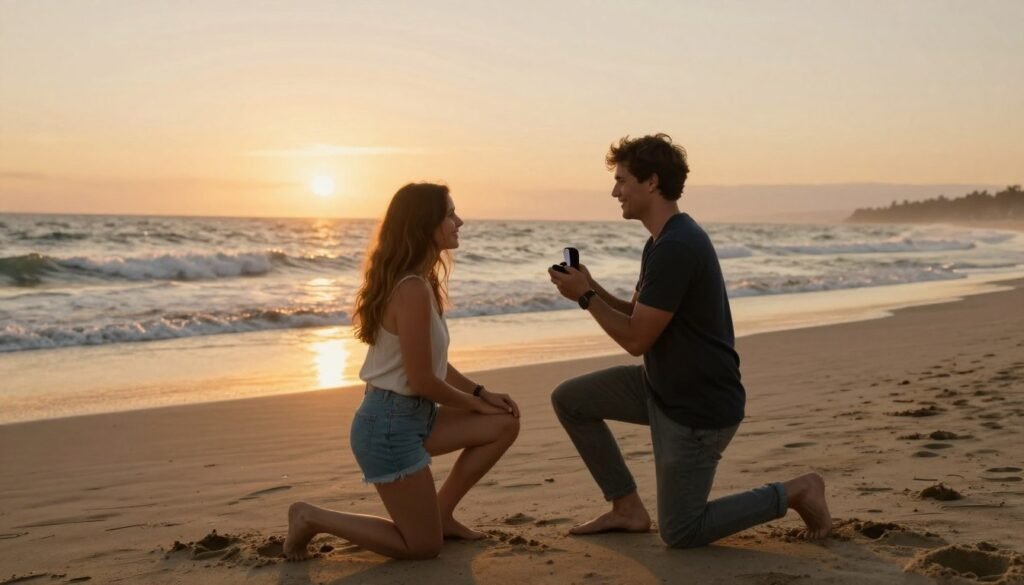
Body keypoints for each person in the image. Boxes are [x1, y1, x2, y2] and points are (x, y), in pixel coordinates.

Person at [547, 134, 831, 548]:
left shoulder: (677, 246)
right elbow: (639, 314)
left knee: (682, 530)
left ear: (651, 182)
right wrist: (591, 285)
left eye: (622, 180)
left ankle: (796, 491)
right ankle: (626, 507)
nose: (615, 191)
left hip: (696, 408)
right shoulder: (661, 240)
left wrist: (585, 298)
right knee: (570, 399)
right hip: (661, 386)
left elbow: (637, 339)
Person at [284, 182, 521, 560]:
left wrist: (480, 394)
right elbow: (423, 380)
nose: (459, 221)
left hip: (412, 418)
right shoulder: (411, 289)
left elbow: (433, 364)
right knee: (423, 548)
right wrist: (472, 405)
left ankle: (441, 515)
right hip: (388, 427)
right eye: (449, 214)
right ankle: (311, 517)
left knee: (503, 421)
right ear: (424, 224)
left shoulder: (420, 282)